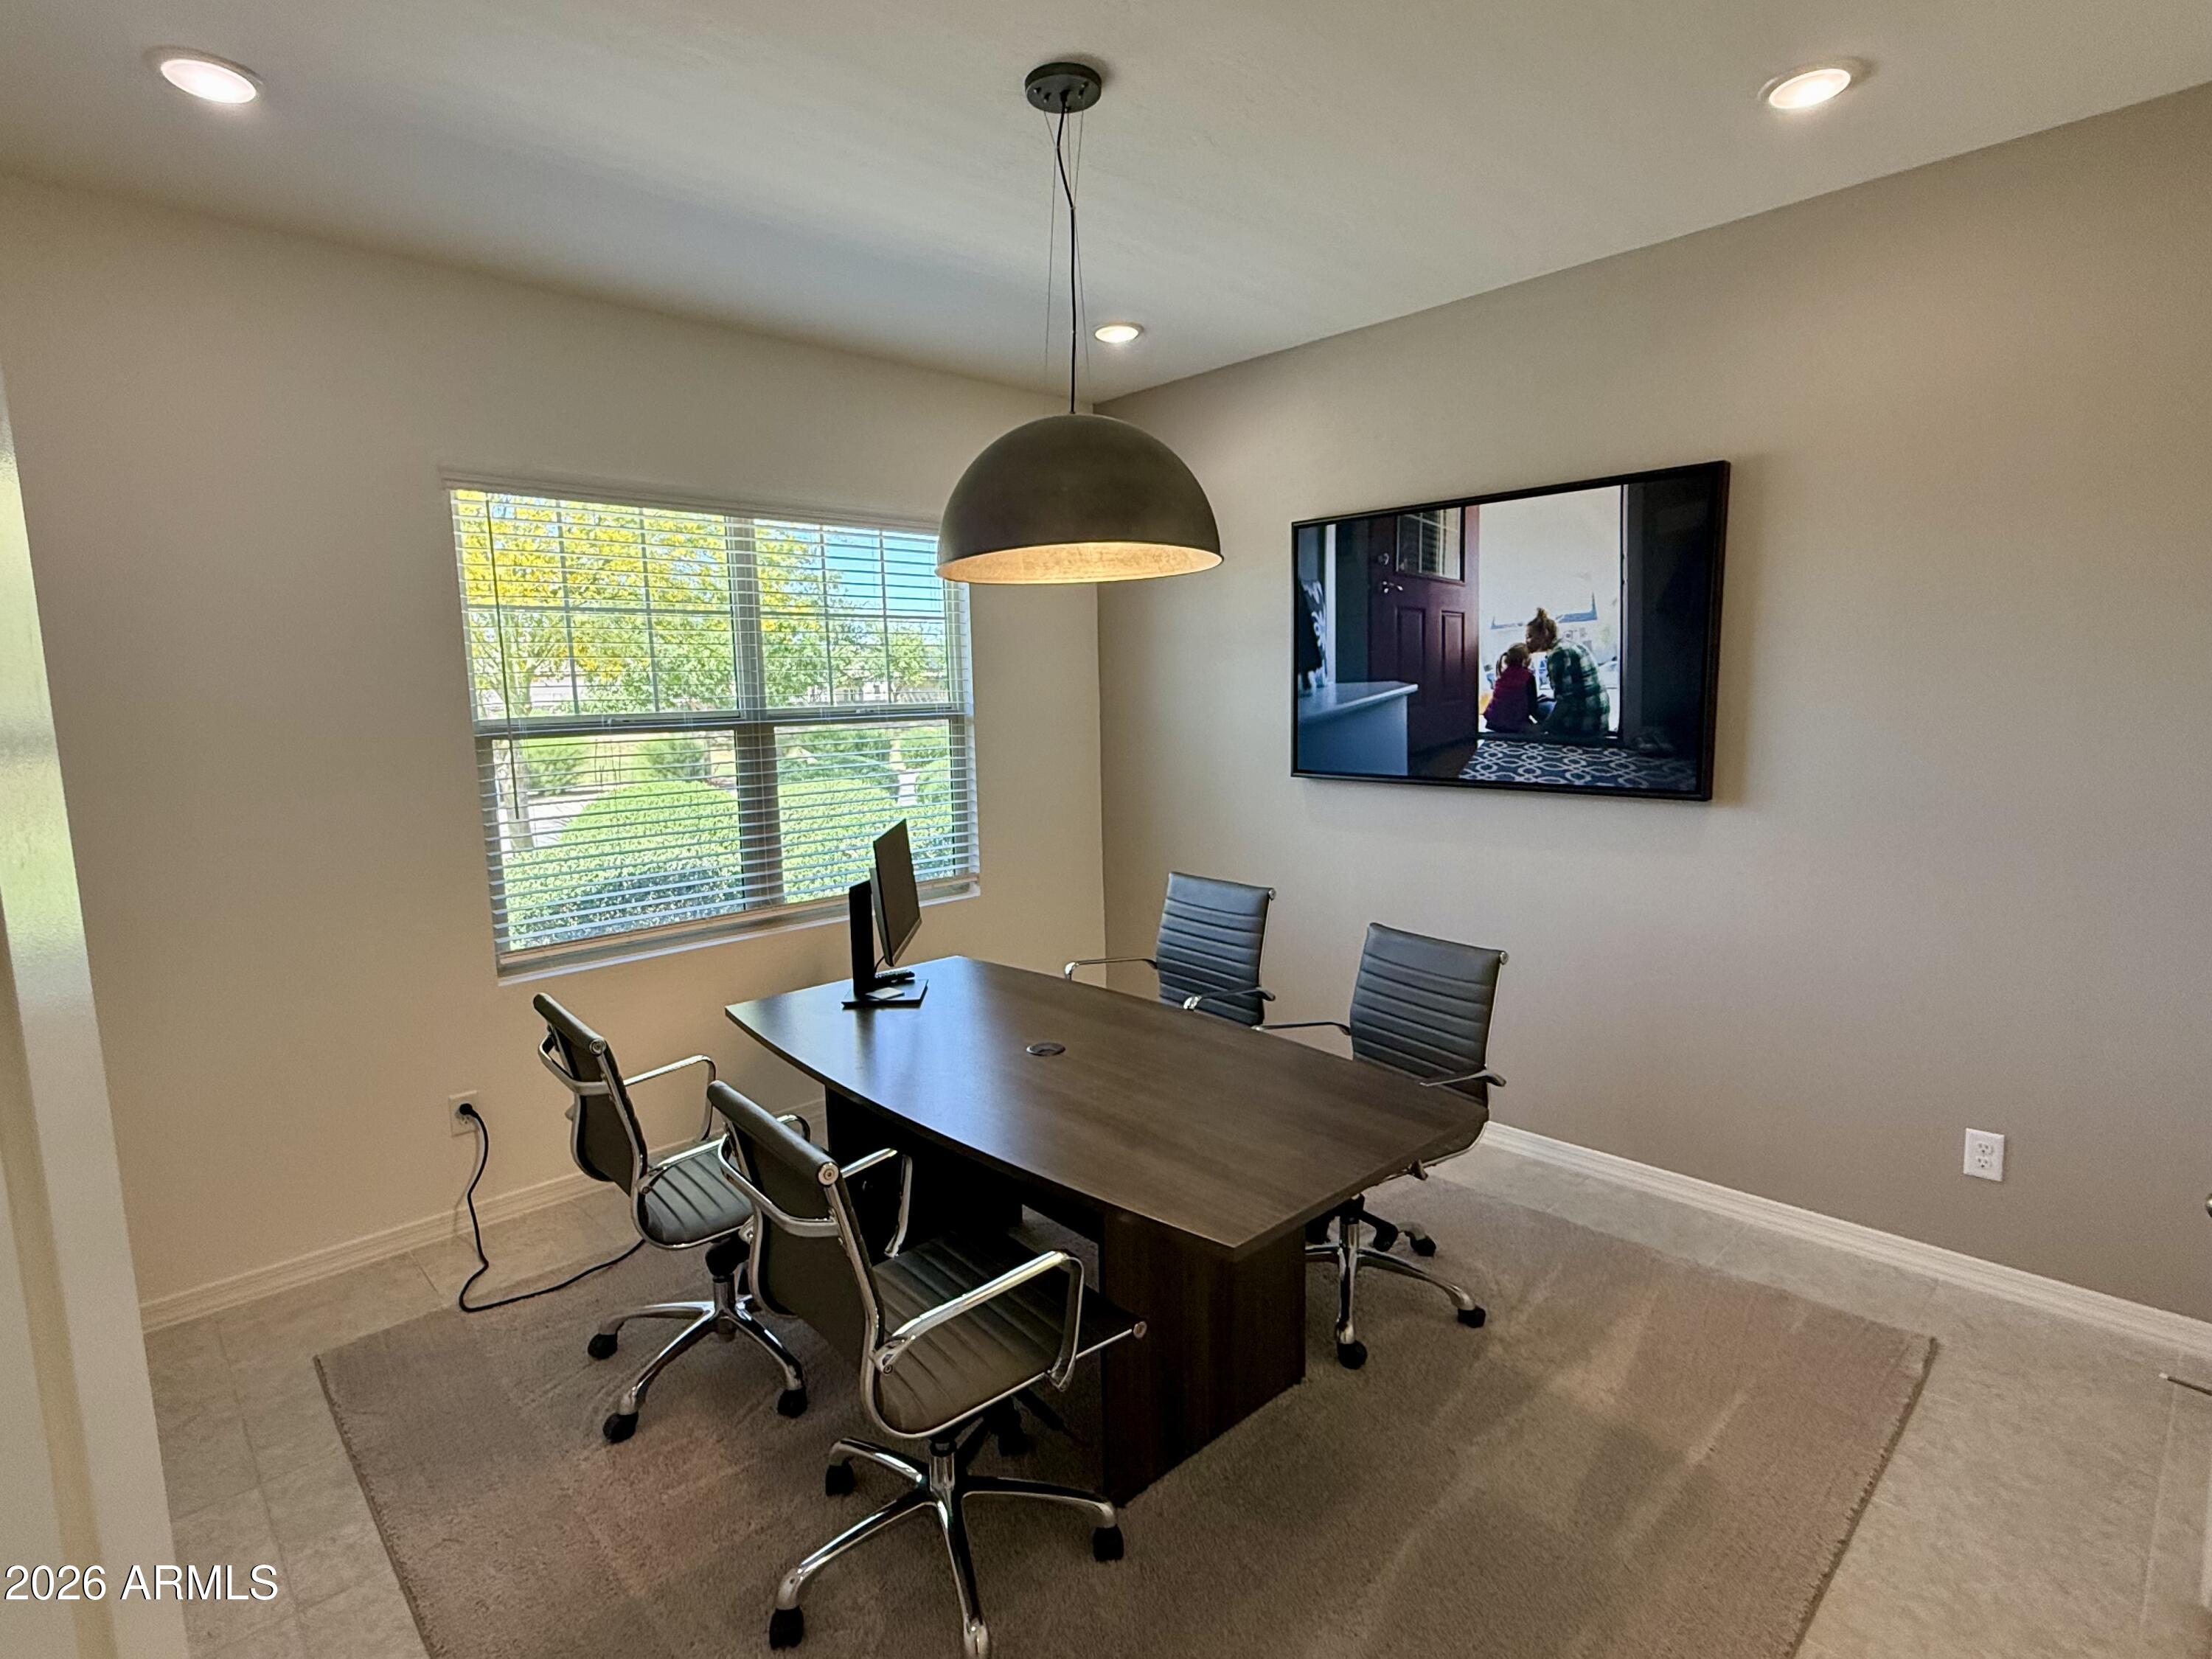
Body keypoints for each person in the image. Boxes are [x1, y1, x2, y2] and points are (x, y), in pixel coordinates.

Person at [1527, 607, 1610, 737]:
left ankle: (1560, 735)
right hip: (1599, 722)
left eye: (1530, 636)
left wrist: (1542, 728)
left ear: (1545, 633)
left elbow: (1566, 702)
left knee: (1533, 706)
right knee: (1543, 701)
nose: (1527, 641)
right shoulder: (1572, 646)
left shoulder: (1558, 655)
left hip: (1582, 727)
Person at [1484, 642, 1537, 732]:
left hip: (1495, 722)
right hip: (1516, 723)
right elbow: (1533, 706)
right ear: (1526, 660)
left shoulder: (1502, 676)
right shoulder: (1528, 677)